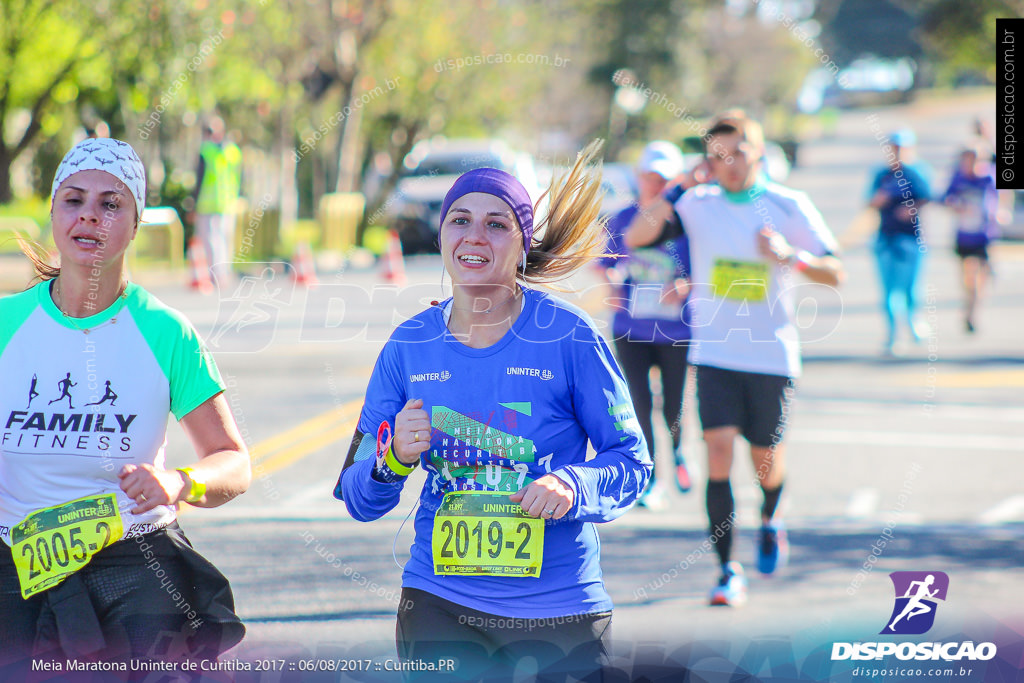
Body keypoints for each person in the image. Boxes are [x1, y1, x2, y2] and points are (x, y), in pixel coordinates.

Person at [335, 141, 650, 680]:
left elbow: (632, 462)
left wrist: (574, 486)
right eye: (459, 220)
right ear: (441, 237)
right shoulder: (408, 346)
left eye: (497, 224)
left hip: (558, 606)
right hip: (439, 603)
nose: (474, 236)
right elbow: (358, 496)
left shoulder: (569, 336)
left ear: (523, 245)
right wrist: (393, 458)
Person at [1, 138, 251, 668]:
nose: (89, 216)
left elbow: (234, 461)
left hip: (133, 565)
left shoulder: (165, 332)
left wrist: (180, 482)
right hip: (16, 565)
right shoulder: (6, 324)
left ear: (136, 225)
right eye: (74, 200)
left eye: (110, 204)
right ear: (52, 213)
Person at [626, 110, 844, 606]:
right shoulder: (697, 203)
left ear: (759, 152)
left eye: (738, 153)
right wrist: (679, 184)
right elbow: (637, 237)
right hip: (716, 353)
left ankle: (771, 517)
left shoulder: (788, 205)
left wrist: (792, 257)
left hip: (772, 356)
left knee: (765, 463)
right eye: (717, 155)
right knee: (718, 454)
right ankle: (728, 571)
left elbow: (836, 271)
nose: (728, 164)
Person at [599, 141, 692, 509]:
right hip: (630, 327)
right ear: (639, 178)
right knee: (638, 403)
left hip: (676, 330)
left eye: (663, 178)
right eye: (649, 177)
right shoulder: (623, 218)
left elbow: (704, 270)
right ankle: (652, 477)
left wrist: (686, 286)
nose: (655, 184)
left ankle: (680, 452)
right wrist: (611, 283)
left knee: (673, 405)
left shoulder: (687, 221)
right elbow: (605, 260)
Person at [865, 128, 932, 354]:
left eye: (901, 148)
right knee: (889, 290)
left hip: (911, 239)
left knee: (911, 287)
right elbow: (869, 203)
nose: (897, 152)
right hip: (886, 239)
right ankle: (893, 335)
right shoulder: (881, 175)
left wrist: (910, 209)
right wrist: (879, 200)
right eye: (894, 148)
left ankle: (913, 321)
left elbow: (928, 196)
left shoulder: (916, 173)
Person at [941, 143, 1001, 333]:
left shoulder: (988, 177)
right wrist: (956, 206)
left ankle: (974, 310)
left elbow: (1001, 197)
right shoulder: (959, 178)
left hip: (984, 234)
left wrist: (998, 212)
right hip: (964, 234)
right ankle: (970, 303)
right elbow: (945, 198)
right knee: (968, 276)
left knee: (980, 276)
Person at [192, 116, 242, 284]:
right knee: (222, 240)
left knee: (213, 241)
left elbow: (199, 179)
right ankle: (222, 273)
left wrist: (193, 203)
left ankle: (218, 274)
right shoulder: (232, 150)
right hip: (226, 203)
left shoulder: (206, 151)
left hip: (211, 203)